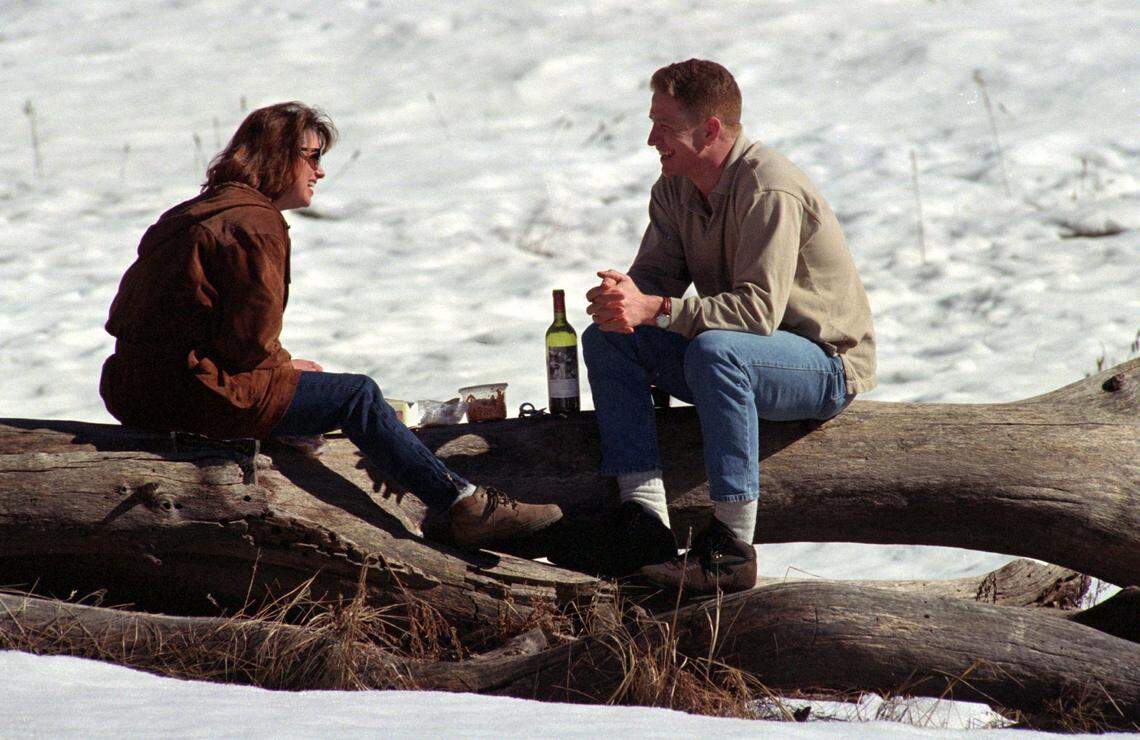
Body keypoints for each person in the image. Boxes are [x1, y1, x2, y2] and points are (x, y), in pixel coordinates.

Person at [100, 101, 561, 549]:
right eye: (312, 156)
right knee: (355, 394)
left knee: (307, 387)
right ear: (278, 157)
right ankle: (465, 506)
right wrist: (282, 371)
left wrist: (279, 370)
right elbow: (247, 346)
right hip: (193, 395)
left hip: (136, 390)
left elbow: (137, 320)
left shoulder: (194, 213)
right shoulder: (255, 224)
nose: (319, 171)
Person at [583, 60, 876, 592]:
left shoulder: (769, 188)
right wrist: (622, 299)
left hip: (821, 364)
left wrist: (658, 310)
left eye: (664, 127)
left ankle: (731, 549)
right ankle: (644, 522)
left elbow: (756, 313)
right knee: (609, 338)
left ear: (711, 129)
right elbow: (655, 286)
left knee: (717, 350)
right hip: (734, 356)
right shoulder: (673, 189)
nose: (651, 139)